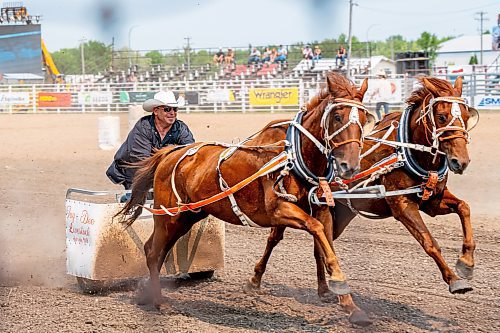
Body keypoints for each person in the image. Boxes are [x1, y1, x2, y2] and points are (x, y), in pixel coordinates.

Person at [106, 90, 195, 202]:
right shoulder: (143, 126)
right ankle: (125, 200)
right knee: (139, 199)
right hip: (134, 169)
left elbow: (190, 152)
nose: (172, 112)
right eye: (167, 109)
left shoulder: (181, 128)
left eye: (175, 109)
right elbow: (142, 159)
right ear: (156, 111)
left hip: (162, 169)